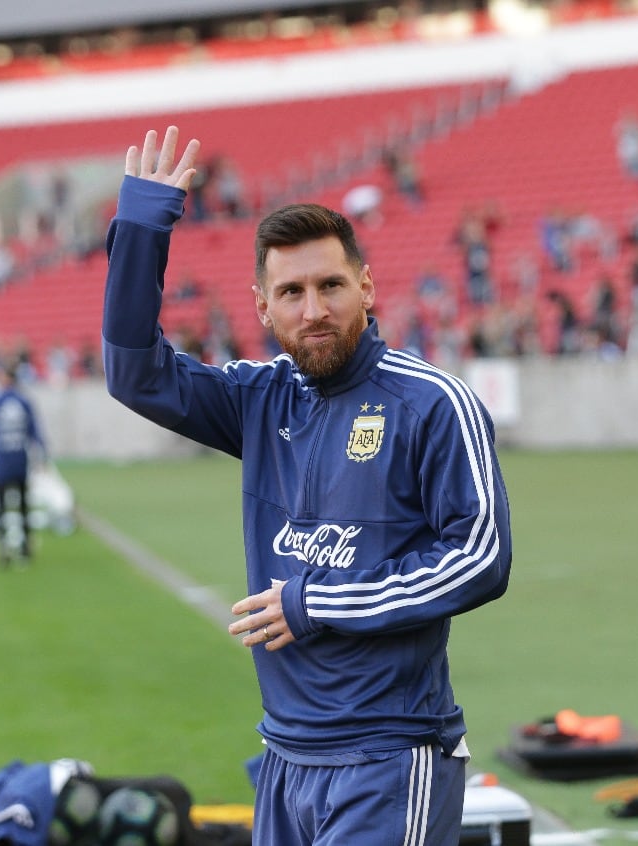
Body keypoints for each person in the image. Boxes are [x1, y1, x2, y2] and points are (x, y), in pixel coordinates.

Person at [102, 127, 513, 846]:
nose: (313, 310)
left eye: (330, 286)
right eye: (291, 292)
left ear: (366, 287)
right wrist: (141, 229)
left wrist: (315, 602)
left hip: (389, 756)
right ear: (263, 307)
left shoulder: (432, 402)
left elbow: (480, 557)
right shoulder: (259, 399)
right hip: (286, 760)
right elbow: (136, 374)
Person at [0, 362, 46, 566]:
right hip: (19, 461)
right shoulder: (24, 402)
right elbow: (36, 433)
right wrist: (42, 455)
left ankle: (3, 548)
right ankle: (25, 548)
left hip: (1, 462)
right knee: (23, 506)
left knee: (1, 506)